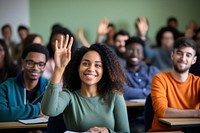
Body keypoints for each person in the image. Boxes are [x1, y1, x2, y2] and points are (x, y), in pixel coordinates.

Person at [41, 35, 130, 132]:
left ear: (104, 70)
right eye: (85, 63)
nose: (91, 69)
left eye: (97, 65)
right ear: (78, 67)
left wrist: (108, 131)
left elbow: (125, 131)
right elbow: (48, 110)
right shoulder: (69, 96)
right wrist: (59, 69)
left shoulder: (115, 96)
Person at [150, 37, 200, 132]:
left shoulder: (198, 82)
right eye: (179, 53)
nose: (183, 58)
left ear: (194, 60)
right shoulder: (159, 79)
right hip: (163, 131)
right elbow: (162, 111)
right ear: (172, 55)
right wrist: (196, 113)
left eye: (188, 55)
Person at [0, 44, 49, 122]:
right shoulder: (5, 87)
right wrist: (37, 109)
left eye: (40, 64)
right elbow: (1, 114)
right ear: (22, 62)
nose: (35, 68)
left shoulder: (50, 87)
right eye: (30, 63)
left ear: (45, 66)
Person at [123, 36, 160, 133]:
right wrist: (149, 93)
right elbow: (123, 91)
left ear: (142, 54)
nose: (134, 54)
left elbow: (162, 91)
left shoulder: (153, 70)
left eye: (138, 51)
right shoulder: (119, 72)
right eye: (130, 51)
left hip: (155, 118)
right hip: (132, 119)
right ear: (125, 53)